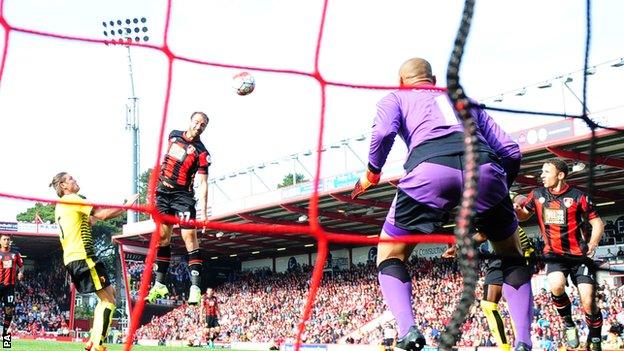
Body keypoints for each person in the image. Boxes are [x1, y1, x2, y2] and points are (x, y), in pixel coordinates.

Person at [351, 58, 533, 351]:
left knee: (389, 254)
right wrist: (499, 193)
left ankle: (409, 331)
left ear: (400, 80)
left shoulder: (395, 97)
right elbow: (510, 151)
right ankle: (524, 342)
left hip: (429, 172)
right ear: (433, 78)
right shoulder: (463, 99)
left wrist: (373, 173)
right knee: (512, 255)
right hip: (484, 168)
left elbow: (383, 132)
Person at [515, 158, 605, 351]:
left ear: (560, 175)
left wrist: (593, 243)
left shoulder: (579, 197)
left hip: (579, 255)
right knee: (556, 285)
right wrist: (517, 210)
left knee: (588, 300)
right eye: (542, 171)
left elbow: (598, 223)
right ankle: (569, 323)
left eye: (546, 172)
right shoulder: (537, 195)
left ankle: (595, 337)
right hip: (554, 254)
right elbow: (524, 215)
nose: (542, 175)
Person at [50, 172, 138, 351]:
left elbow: (92, 220)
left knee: (110, 292)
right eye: (71, 179)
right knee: (109, 301)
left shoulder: (62, 206)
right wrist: (126, 206)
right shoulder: (73, 199)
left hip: (74, 258)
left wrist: (119, 208)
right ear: (63, 186)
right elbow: (103, 215)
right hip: (83, 257)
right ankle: (98, 343)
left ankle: (92, 340)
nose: (76, 180)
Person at [146, 111, 211, 305]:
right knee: (162, 238)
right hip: (162, 194)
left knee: (189, 238)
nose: (199, 126)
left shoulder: (202, 152)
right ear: (190, 121)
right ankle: (160, 284)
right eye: (197, 122)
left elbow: (204, 182)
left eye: (203, 125)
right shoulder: (173, 134)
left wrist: (204, 211)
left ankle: (195, 288)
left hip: (182, 197)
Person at [442, 224, 536, 351]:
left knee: (515, 304)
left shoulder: (488, 209)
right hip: (498, 255)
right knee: (487, 305)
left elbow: (483, 234)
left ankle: (522, 342)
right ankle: (504, 348)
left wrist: (459, 247)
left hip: (521, 252)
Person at [0, 234, 23, 337]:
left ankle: (6, 336)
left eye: (8, 239)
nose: (6, 241)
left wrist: (20, 272)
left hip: (10, 287)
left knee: (9, 312)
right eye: (4, 239)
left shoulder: (15, 253)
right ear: (0, 241)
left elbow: (22, 266)